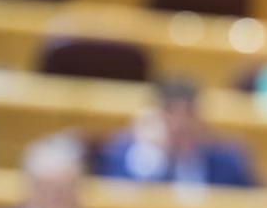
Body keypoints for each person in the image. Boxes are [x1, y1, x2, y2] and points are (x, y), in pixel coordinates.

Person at [97, 78, 258, 187]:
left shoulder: (228, 161)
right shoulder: (121, 154)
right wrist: (150, 156)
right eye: (170, 113)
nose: (181, 124)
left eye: (189, 114)